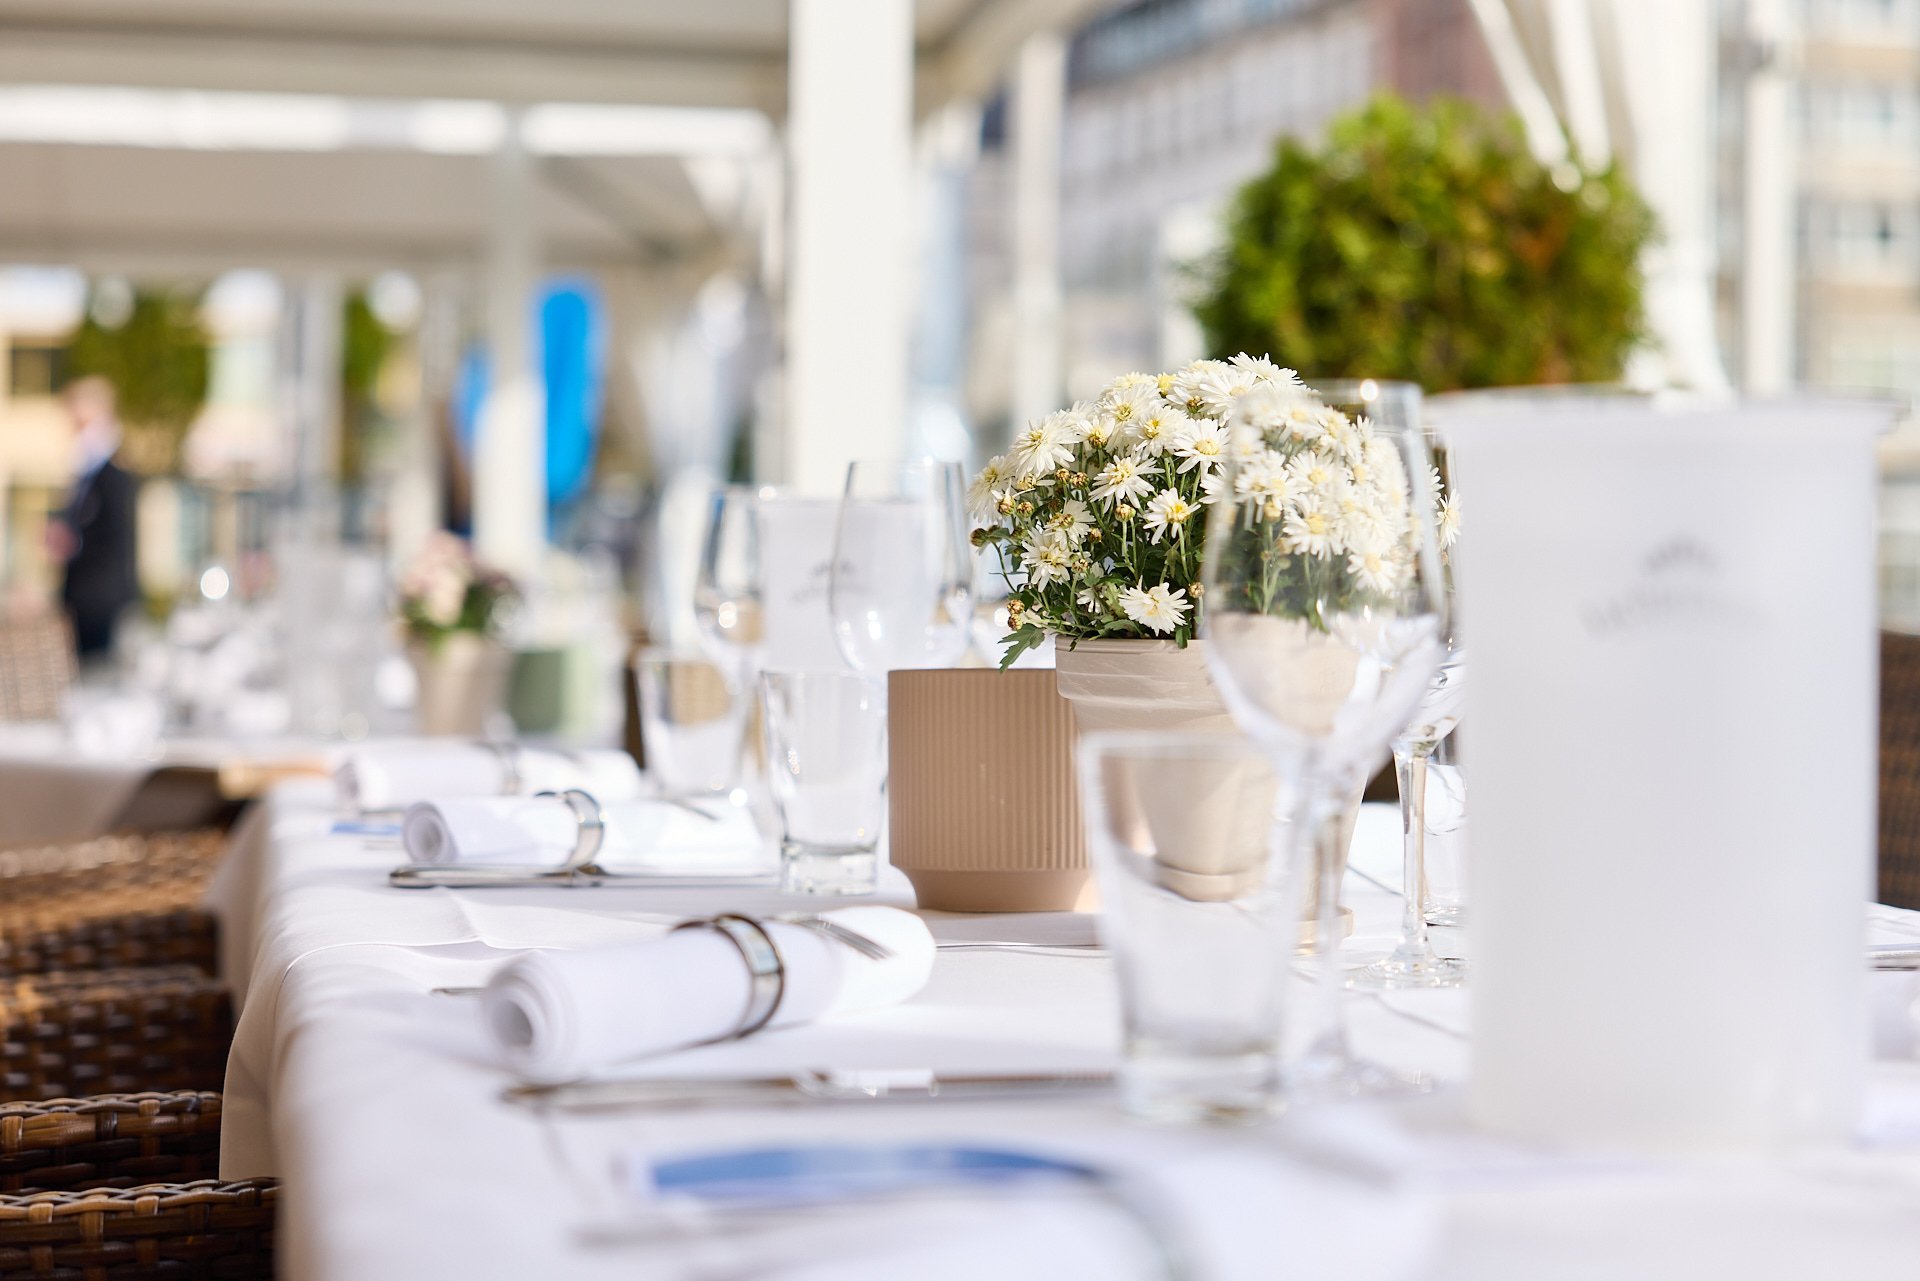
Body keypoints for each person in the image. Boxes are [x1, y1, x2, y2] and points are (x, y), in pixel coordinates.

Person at [46, 376, 139, 660]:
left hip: (100, 602)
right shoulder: (84, 472)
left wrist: (74, 540)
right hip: (83, 599)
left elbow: (112, 536)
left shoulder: (111, 474)